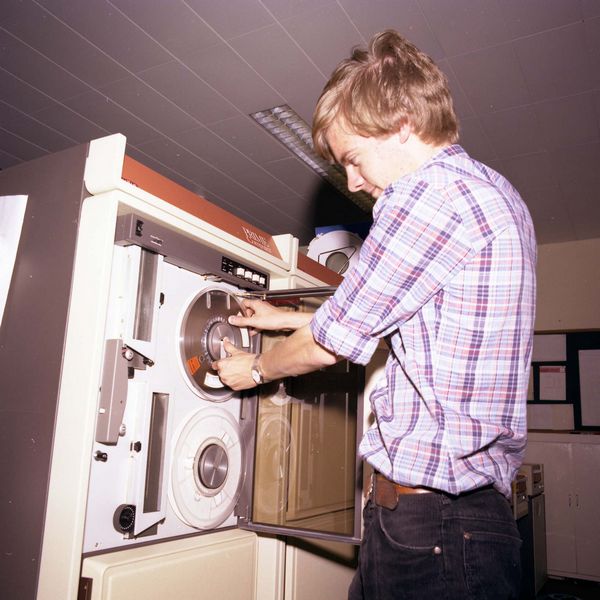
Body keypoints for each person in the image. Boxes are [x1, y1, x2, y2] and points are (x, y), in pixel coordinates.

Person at [213, 29, 536, 600]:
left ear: (402, 124)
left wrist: (256, 370)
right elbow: (399, 320)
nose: (354, 182)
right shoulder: (490, 192)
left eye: (353, 159)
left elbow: (331, 342)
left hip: (433, 531)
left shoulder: (427, 196)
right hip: (454, 525)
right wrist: (280, 318)